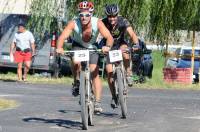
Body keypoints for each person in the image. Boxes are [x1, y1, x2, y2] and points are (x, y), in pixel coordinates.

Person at [56, 1, 114, 113]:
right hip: (78, 46)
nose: (84, 17)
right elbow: (62, 37)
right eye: (81, 15)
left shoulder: (98, 23)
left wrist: (107, 46)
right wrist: (59, 48)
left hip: (93, 47)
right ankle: (76, 81)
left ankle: (97, 102)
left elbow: (109, 37)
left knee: (94, 71)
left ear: (91, 14)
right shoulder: (73, 23)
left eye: (87, 15)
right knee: (75, 62)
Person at [101, 4, 139, 108]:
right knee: (109, 73)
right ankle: (114, 96)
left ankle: (128, 73)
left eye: (114, 16)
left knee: (125, 53)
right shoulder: (103, 22)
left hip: (120, 43)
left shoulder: (123, 21)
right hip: (108, 46)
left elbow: (132, 34)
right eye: (109, 16)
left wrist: (136, 44)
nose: (112, 18)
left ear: (117, 15)